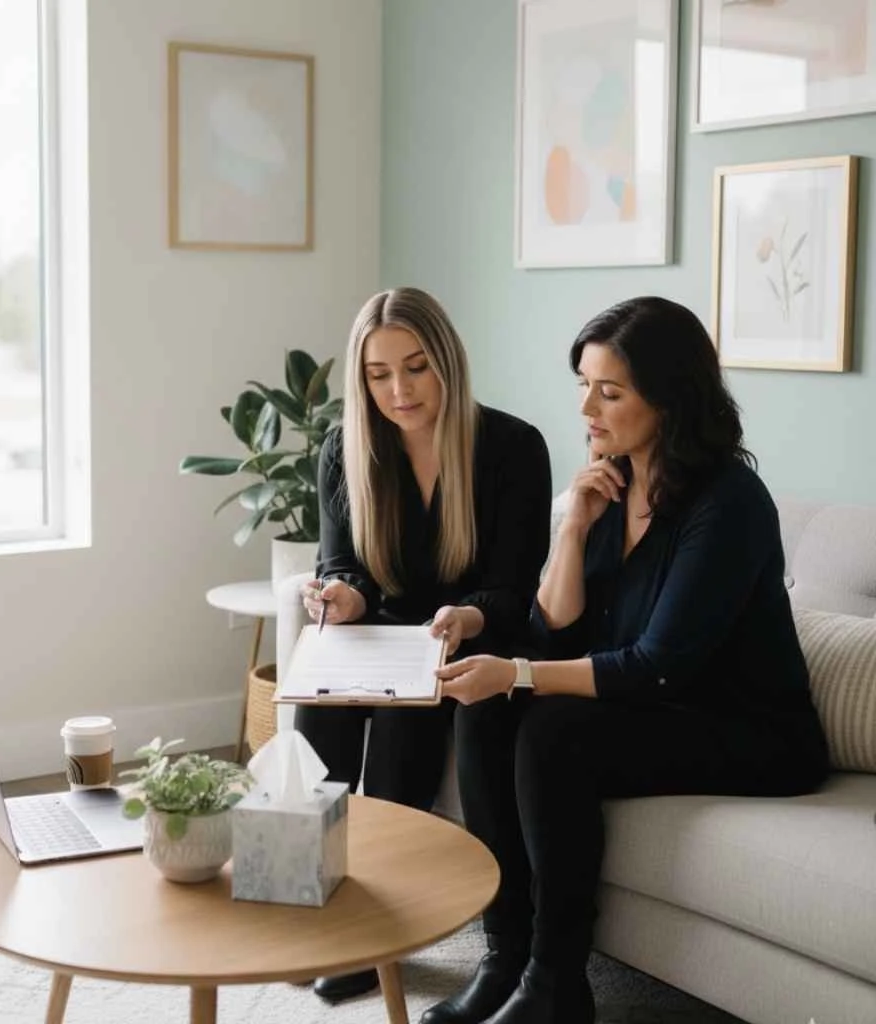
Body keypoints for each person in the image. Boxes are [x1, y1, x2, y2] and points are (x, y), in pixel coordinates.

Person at [421, 296, 830, 1024]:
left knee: (551, 728)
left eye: (609, 392)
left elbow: (655, 665)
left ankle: (555, 984)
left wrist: (515, 673)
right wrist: (574, 528)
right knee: (488, 713)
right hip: (657, 709)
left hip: (750, 732)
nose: (587, 407)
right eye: (583, 384)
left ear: (671, 399)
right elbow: (554, 633)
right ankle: (505, 952)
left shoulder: (729, 503)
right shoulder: (616, 478)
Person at [297, 285, 552, 1003]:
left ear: (447, 361)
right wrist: (340, 595)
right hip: (387, 640)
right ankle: (332, 919)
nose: (399, 391)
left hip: (476, 643)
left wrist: (463, 618)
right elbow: (338, 565)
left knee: (422, 724)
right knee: (322, 706)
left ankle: (437, 936)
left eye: (415, 368)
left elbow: (514, 589)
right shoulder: (344, 451)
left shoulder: (512, 447)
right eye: (379, 375)